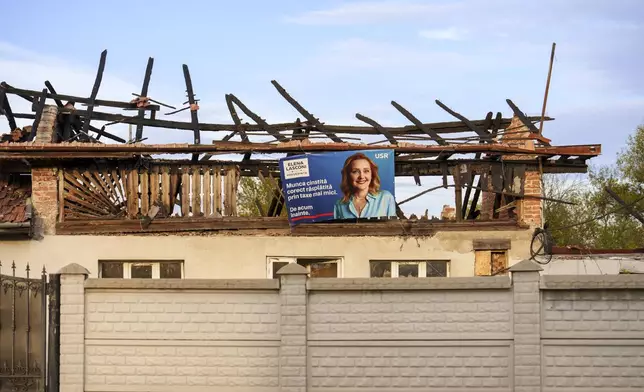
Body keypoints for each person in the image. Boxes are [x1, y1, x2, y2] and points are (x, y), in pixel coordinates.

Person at [333, 152, 397, 219]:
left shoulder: (386, 198)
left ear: (372, 175)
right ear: (347, 176)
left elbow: (393, 227)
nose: (361, 176)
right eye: (355, 171)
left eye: (366, 171)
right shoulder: (339, 204)